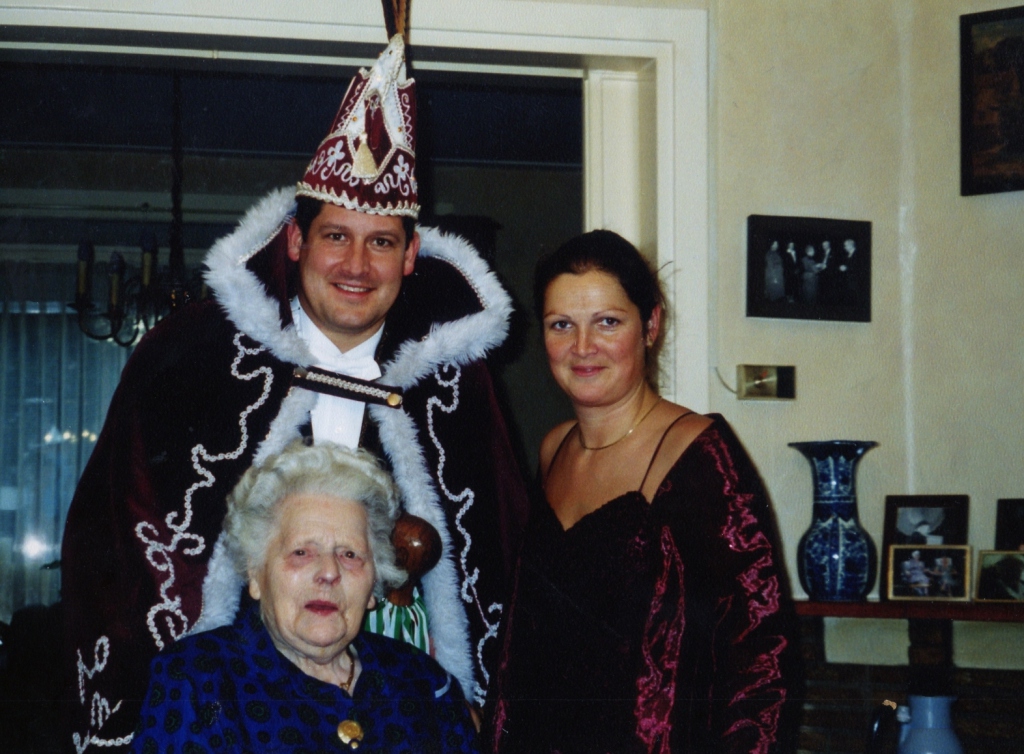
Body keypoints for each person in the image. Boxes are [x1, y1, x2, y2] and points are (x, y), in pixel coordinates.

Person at [61, 16, 528, 752]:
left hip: (401, 689)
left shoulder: (454, 384)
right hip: (236, 696)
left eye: (381, 243)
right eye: (335, 236)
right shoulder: (191, 359)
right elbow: (120, 534)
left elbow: (498, 555)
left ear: (411, 257)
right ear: (294, 241)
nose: (356, 266)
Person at [488, 230, 799, 753]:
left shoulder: (697, 453)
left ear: (651, 325)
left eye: (607, 322)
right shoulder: (553, 449)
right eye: (561, 325)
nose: (582, 347)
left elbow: (761, 658)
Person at [130, 441, 480, 753]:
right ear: (256, 574)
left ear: (374, 583)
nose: (328, 572)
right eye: (301, 552)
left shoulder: (422, 680)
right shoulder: (197, 679)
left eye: (349, 554)